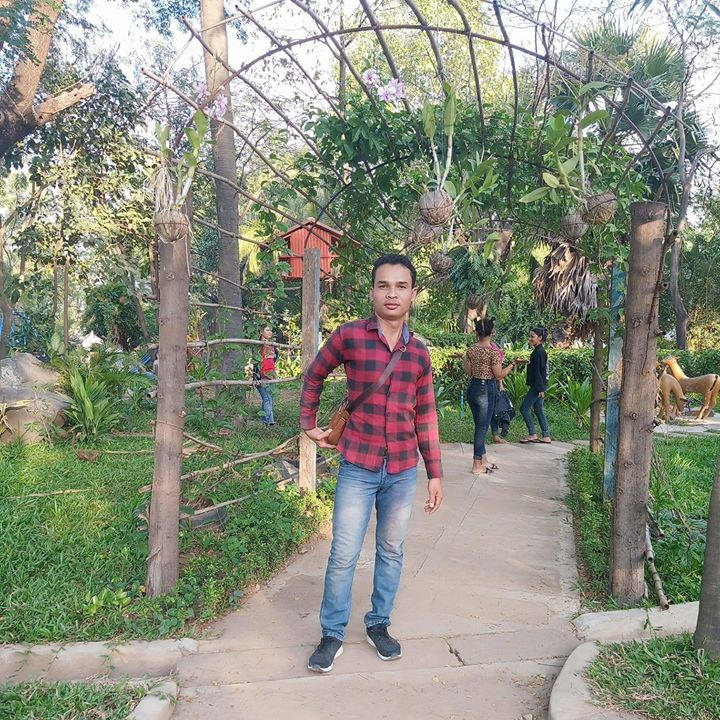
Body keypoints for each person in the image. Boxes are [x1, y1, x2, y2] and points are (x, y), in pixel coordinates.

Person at [301, 254, 443, 673]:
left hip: (401, 470)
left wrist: (434, 473)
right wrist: (308, 423)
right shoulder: (349, 337)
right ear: (372, 292)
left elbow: (426, 415)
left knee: (391, 550)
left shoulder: (419, 354)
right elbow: (314, 375)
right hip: (358, 466)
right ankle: (332, 633)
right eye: (384, 285)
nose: (392, 294)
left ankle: (379, 624)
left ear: (413, 294)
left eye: (401, 286)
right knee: (343, 552)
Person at [463, 318, 520, 474]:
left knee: (479, 425)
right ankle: (476, 465)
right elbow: (498, 375)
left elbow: (469, 372)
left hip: (473, 388)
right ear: (492, 332)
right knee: (482, 427)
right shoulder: (493, 352)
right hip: (486, 390)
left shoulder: (471, 350)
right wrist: (512, 365)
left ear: (476, 332)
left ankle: (483, 459)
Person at [519, 326, 552, 444]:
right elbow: (538, 368)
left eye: (532, 336)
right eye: (530, 336)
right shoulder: (538, 351)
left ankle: (532, 433)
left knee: (524, 408)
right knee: (538, 409)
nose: (530, 339)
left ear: (540, 338)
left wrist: (541, 389)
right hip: (539, 385)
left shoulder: (539, 352)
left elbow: (540, 372)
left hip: (537, 386)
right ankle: (546, 435)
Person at [256, 326, 278, 426]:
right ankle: (271, 423)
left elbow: (273, 359)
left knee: (268, 399)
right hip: (262, 376)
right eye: (267, 330)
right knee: (268, 399)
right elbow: (255, 363)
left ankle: (262, 421)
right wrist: (256, 376)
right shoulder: (258, 346)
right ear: (261, 332)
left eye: (271, 330)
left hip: (271, 376)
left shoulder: (272, 345)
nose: (270, 332)